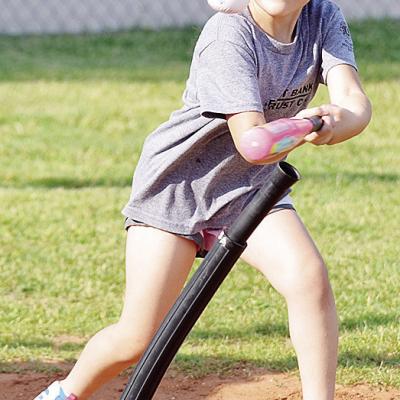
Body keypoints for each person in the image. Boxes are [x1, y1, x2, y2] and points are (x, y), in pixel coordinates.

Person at [34, 1, 371, 399]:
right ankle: (63, 394)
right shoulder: (228, 33)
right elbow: (253, 143)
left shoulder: (322, 16)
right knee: (137, 336)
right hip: (178, 187)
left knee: (308, 278)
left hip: (250, 188)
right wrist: (302, 127)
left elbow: (354, 101)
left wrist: (334, 123)